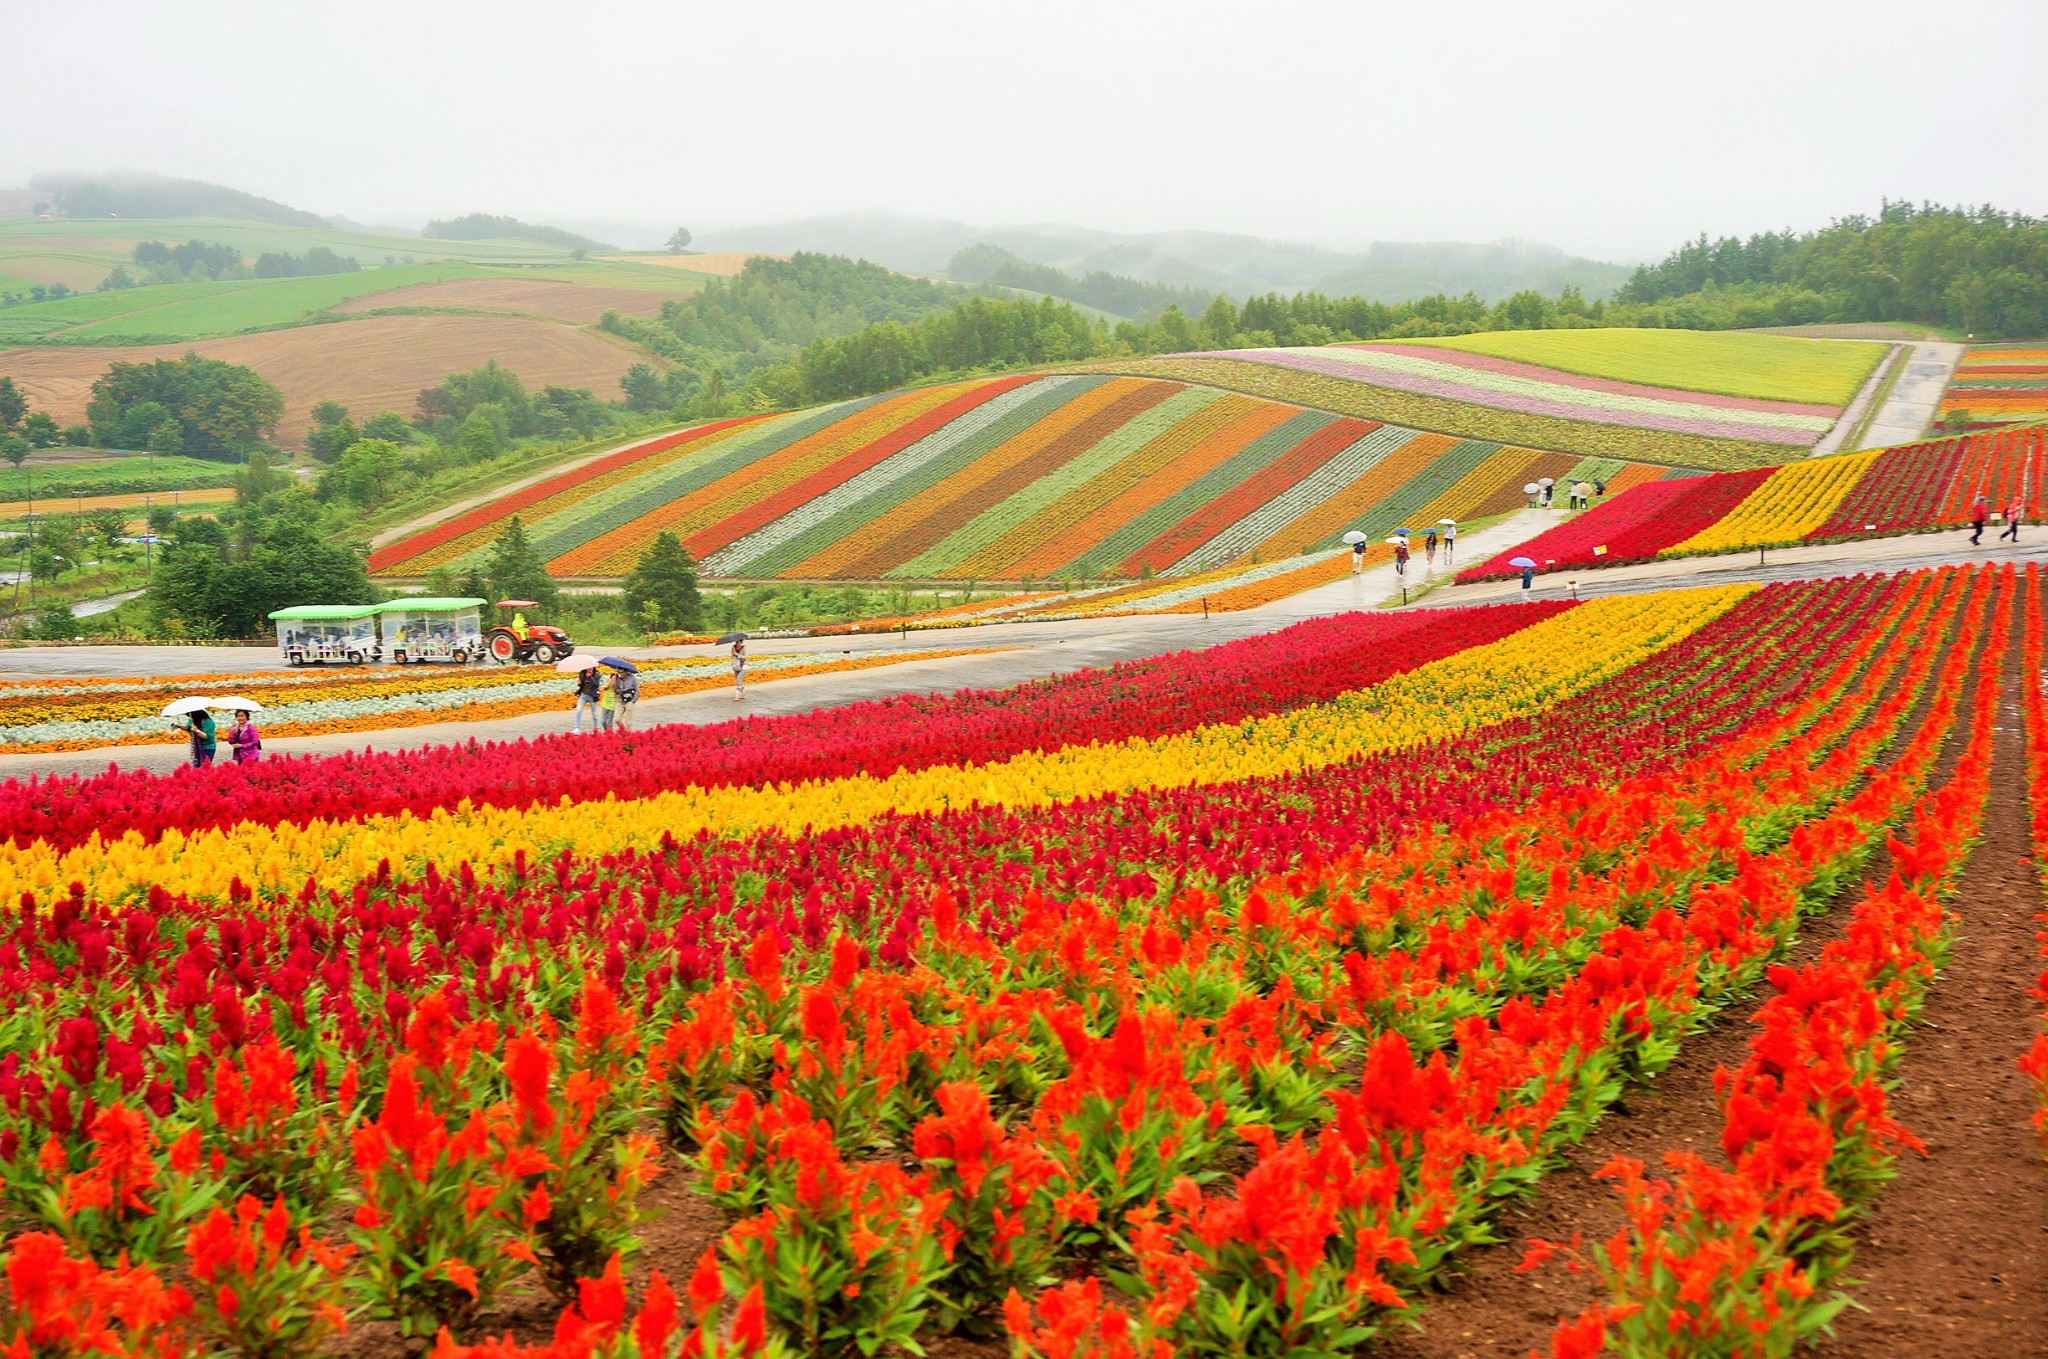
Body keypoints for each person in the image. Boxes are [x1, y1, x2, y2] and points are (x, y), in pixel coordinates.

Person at [572, 665, 601, 732]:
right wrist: (579, 682)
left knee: (594, 714)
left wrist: (590, 677)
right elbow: (581, 685)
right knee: (578, 710)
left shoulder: (597, 674)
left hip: (592, 696)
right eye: (587, 667)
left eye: (591, 667)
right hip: (584, 695)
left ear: (594, 667)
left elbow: (596, 685)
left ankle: (596, 729)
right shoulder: (582, 673)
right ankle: (576, 728)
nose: (589, 669)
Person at [614, 665, 639, 730]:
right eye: (619, 672)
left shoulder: (632, 678)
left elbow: (637, 690)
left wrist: (633, 701)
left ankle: (629, 735)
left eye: (622, 672)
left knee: (628, 722)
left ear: (626, 671)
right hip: (620, 700)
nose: (621, 674)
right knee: (617, 719)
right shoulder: (618, 678)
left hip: (629, 701)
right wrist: (615, 683)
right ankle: (623, 730)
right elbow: (616, 690)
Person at [731, 636, 748, 701]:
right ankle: (743, 694)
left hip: (743, 666)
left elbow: (745, 657)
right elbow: (732, 656)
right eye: (736, 641)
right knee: (738, 680)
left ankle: (737, 696)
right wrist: (733, 654)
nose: (736, 643)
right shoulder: (733, 647)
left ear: (741, 642)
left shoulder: (744, 648)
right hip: (736, 666)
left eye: (738, 641)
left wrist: (737, 655)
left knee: (739, 680)